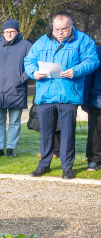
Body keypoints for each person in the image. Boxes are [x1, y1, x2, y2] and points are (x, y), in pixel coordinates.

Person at [25, 11, 99, 179]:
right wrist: (33, 72)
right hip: (46, 94)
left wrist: (76, 70)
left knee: (67, 133)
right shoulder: (42, 41)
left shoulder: (83, 40)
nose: (60, 32)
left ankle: (67, 167)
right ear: (52, 26)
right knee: (46, 133)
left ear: (71, 25)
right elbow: (29, 61)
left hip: (68, 94)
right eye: (56, 29)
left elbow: (92, 61)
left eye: (64, 29)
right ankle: (44, 165)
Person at [0, 19, 33, 157]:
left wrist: (21, 79)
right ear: (3, 32)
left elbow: (32, 65)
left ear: (17, 32)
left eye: (12, 31)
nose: (9, 34)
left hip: (16, 90)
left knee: (14, 122)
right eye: (6, 32)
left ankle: (11, 148)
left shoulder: (26, 45)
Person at [83, 44, 101, 171]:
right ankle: (94, 160)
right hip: (97, 99)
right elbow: (88, 77)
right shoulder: (97, 52)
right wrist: (85, 99)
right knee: (95, 132)